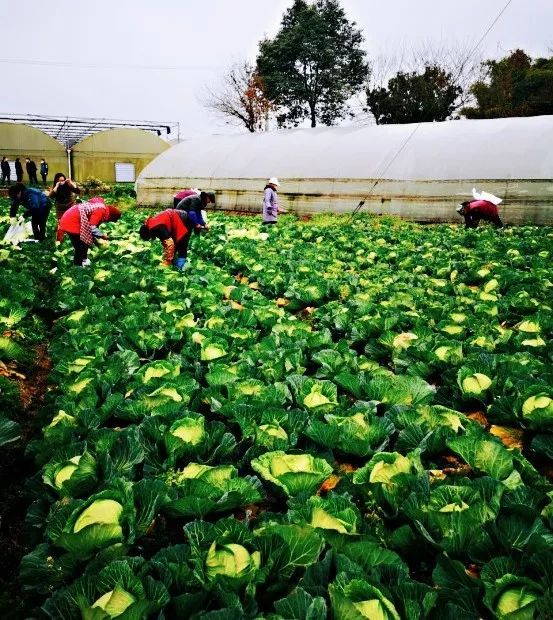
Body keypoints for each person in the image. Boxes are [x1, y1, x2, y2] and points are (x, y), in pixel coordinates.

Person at [58, 197, 121, 266]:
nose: (107, 221)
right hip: (72, 221)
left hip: (71, 218)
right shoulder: (101, 211)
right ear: (110, 216)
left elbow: (90, 231)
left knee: (84, 242)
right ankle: (77, 266)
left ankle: (84, 260)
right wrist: (102, 236)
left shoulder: (101, 206)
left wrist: (96, 241)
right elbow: (92, 227)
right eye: (110, 220)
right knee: (80, 246)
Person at [49, 173, 81, 241]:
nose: (62, 182)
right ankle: (59, 240)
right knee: (61, 223)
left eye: (63, 180)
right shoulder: (56, 187)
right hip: (60, 207)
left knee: (73, 220)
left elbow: (78, 191)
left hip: (70, 205)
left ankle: (74, 233)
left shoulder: (68, 185)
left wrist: (71, 183)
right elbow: (51, 196)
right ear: (57, 181)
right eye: (60, 181)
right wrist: (56, 186)